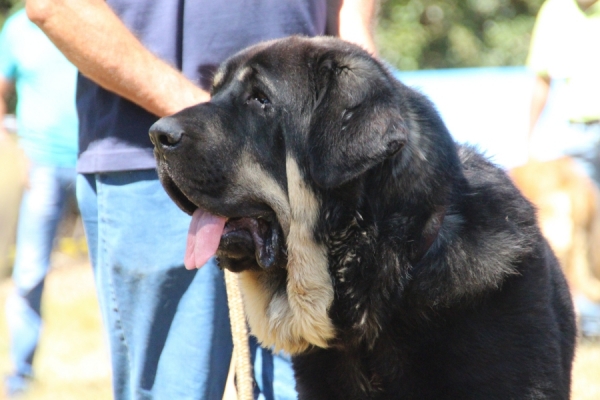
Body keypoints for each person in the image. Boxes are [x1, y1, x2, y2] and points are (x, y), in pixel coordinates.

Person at [25, 0, 377, 399]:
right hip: (147, 160)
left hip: (313, 175)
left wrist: (358, 75)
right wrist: (208, 127)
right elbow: (54, 6)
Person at [0, 8, 78, 397]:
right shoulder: (17, 28)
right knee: (30, 271)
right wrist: (12, 149)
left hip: (95, 160)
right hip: (42, 164)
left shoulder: (90, 17)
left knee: (116, 275)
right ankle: (21, 374)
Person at [527, 0, 600, 338]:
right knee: (574, 240)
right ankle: (584, 325)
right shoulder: (555, 10)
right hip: (574, 137)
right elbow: (542, 79)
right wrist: (528, 139)